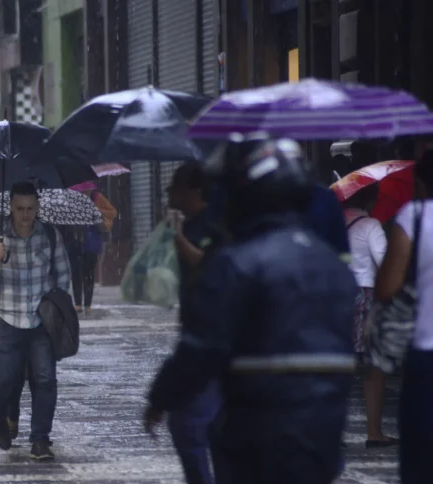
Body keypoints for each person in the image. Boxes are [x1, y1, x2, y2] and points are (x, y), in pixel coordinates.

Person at [144, 137, 358, 484]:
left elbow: (202, 345)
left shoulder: (239, 262)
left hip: (257, 435)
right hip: (323, 435)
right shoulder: (329, 264)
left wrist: (161, 398)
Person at [0, 181, 71, 461]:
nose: (25, 214)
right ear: (11, 207)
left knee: (46, 379)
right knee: (5, 380)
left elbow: (63, 275)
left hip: (41, 323)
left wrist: (57, 307)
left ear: (37, 208)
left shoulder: (49, 236)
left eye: (30, 209)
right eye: (20, 208)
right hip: (6, 320)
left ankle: (40, 440)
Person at [162, 163, 227, 484]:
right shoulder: (189, 224)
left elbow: (210, 264)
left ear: (193, 192)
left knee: (189, 424)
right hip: (198, 332)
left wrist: (178, 240)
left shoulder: (216, 223)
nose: (168, 192)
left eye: (174, 186)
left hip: (213, 337)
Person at [375, 152, 433, 483]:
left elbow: (387, 288)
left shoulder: (414, 216)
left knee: (420, 454)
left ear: (422, 182)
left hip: (425, 349)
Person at [342, 185, 396, 448]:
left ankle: (332, 432)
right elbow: (386, 262)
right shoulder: (371, 225)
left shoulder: (334, 221)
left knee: (339, 364)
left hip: (338, 296)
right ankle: (374, 432)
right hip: (365, 296)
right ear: (370, 199)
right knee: (373, 368)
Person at [63, 182, 117, 316]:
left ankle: (87, 304)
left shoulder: (97, 197)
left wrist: (96, 209)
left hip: (91, 242)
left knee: (89, 274)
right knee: (76, 273)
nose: (84, 192)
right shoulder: (71, 198)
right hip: (74, 241)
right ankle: (77, 304)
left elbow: (113, 212)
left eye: (87, 190)